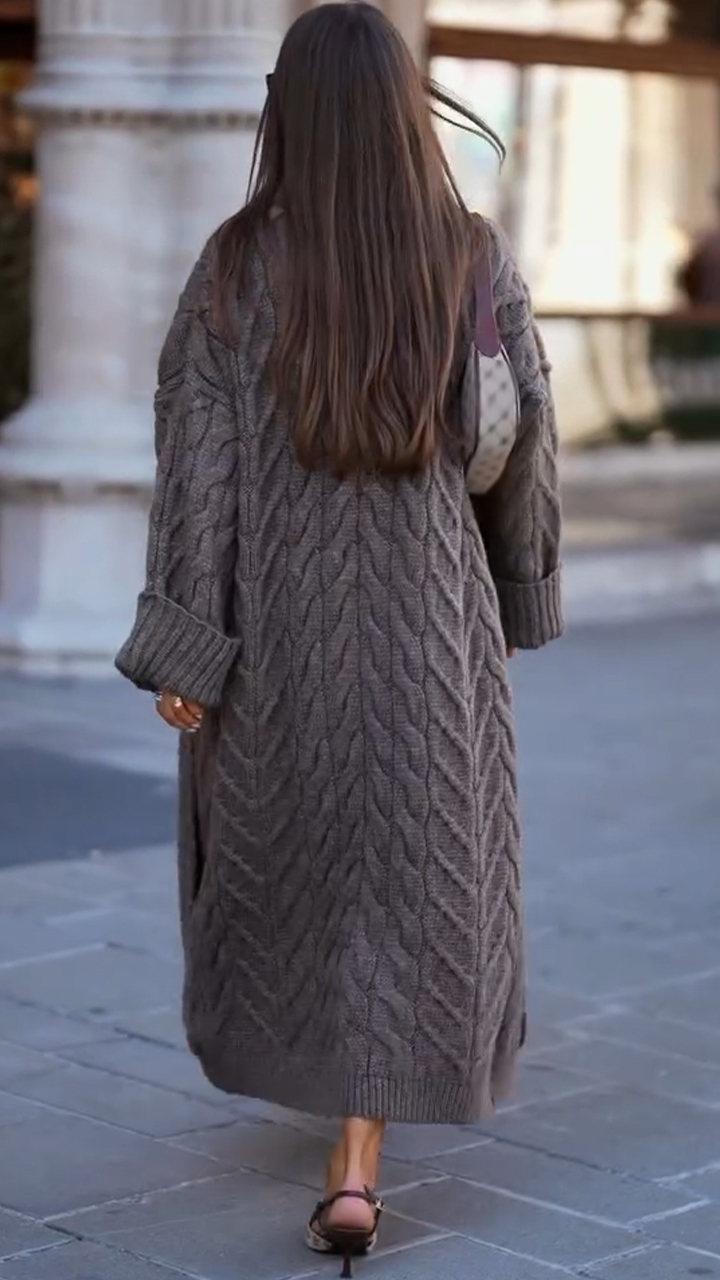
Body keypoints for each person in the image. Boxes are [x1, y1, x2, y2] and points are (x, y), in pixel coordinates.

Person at [116, 4, 563, 1274]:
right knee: (416, 882)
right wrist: (517, 596)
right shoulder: (469, 256)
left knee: (300, 875)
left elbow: (197, 471)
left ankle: (336, 1110)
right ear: (403, 109)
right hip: (435, 633)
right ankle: (358, 1159)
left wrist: (187, 646)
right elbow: (519, 436)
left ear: (292, 111)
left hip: (279, 640)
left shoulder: (235, 265)